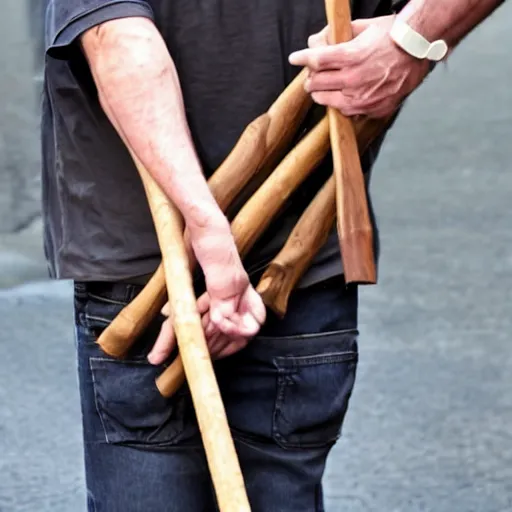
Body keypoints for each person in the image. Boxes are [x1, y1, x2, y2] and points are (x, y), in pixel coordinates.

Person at [41, 0, 505, 510]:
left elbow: (117, 40)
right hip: (252, 270)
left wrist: (206, 235)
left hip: (173, 272)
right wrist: (414, 40)